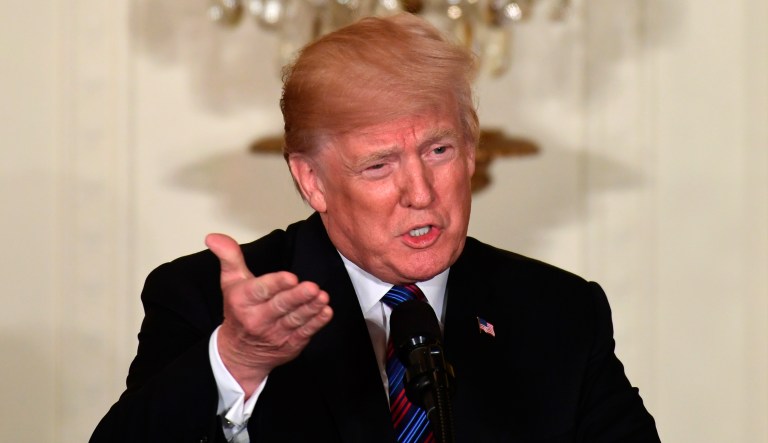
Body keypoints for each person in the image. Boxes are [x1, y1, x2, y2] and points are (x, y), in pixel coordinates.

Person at [91, 13, 660, 443]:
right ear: (311, 181)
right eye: (379, 165)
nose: (420, 193)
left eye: (438, 150)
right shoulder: (202, 301)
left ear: (470, 152)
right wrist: (238, 358)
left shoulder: (557, 310)